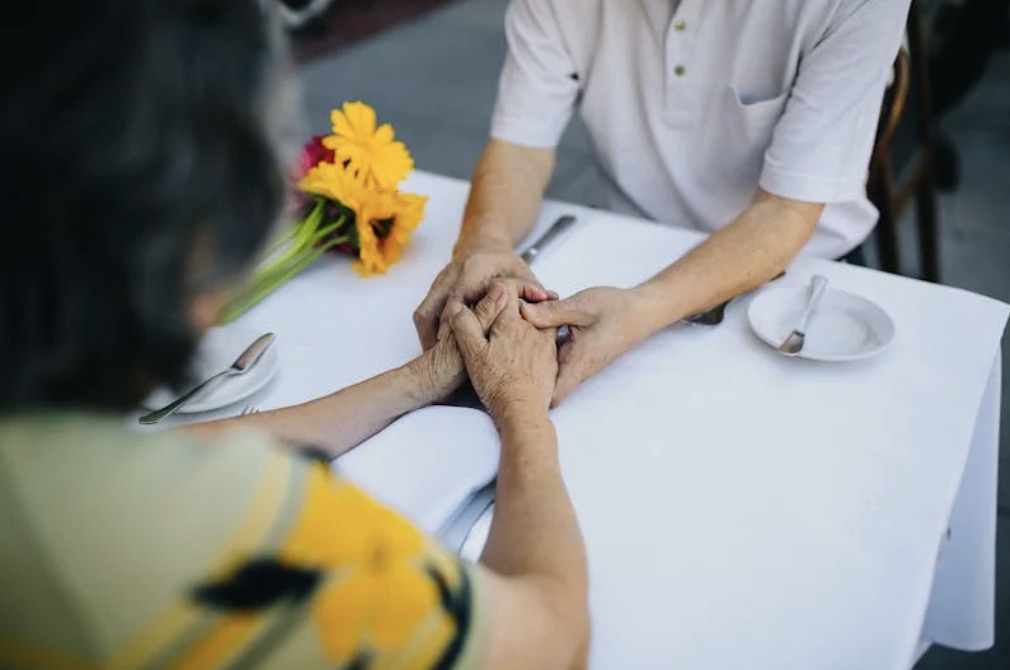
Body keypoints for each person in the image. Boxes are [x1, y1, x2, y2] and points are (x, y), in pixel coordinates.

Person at [0, 1, 588, 668]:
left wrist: (417, 381)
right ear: (198, 234)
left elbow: (149, 458)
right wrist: (520, 408)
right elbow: (552, 639)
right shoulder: (238, 544)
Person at [414, 0, 913, 406]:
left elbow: (783, 213)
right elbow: (520, 148)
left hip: (796, 288)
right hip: (621, 244)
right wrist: (484, 242)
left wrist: (640, 310)